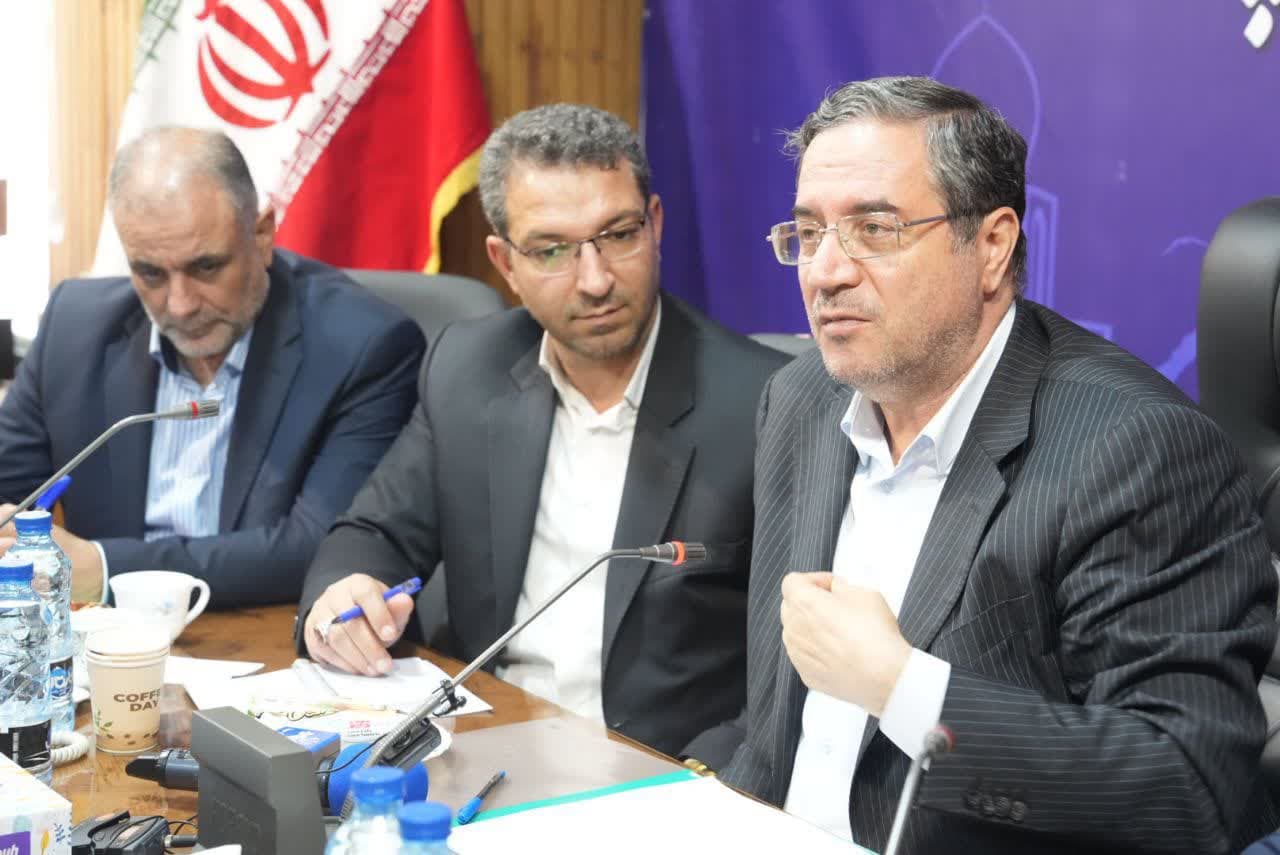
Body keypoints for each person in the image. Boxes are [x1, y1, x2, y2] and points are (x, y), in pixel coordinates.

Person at [716, 76, 1278, 853]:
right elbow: (776, 730)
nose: (825, 271)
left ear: (991, 245)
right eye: (810, 233)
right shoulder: (801, 400)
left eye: (874, 229)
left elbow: (1185, 783)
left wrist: (900, 687)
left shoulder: (1135, 448)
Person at [297, 104, 789, 767]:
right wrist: (344, 591)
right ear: (504, 261)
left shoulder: (764, 403)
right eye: (553, 249)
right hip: (482, 742)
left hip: (658, 770)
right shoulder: (467, 368)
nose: (595, 279)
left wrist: (697, 780)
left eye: (618, 234)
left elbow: (790, 671)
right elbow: (375, 532)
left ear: (656, 224)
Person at [0, 127, 425, 607]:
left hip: (272, 635)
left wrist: (104, 568)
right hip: (107, 638)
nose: (180, 305)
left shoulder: (364, 346)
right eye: (150, 273)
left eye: (205, 267)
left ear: (261, 235)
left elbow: (323, 547)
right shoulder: (74, 328)